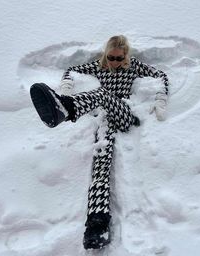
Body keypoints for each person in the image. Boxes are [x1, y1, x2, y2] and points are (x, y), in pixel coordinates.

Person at [30, 35, 169, 249]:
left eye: (118, 58)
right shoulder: (100, 65)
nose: (113, 62)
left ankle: (66, 109)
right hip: (105, 120)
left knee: (102, 94)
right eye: (110, 57)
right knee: (100, 168)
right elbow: (72, 71)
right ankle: (97, 225)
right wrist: (66, 86)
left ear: (125, 55)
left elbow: (161, 76)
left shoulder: (133, 66)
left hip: (125, 115)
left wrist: (161, 100)